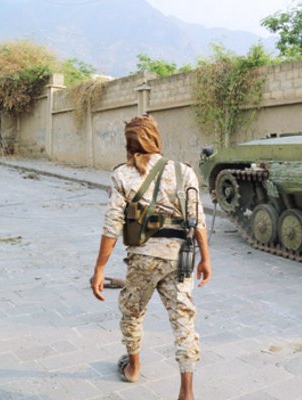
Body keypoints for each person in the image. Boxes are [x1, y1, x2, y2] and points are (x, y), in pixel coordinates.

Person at [90, 114, 212, 400]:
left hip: (143, 259)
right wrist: (205, 258)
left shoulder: (122, 174)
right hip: (180, 257)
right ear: (155, 138)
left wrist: (99, 268)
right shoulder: (184, 172)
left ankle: (133, 368)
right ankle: (186, 392)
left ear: (129, 144)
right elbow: (198, 219)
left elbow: (112, 225)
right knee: (184, 320)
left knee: (132, 312)